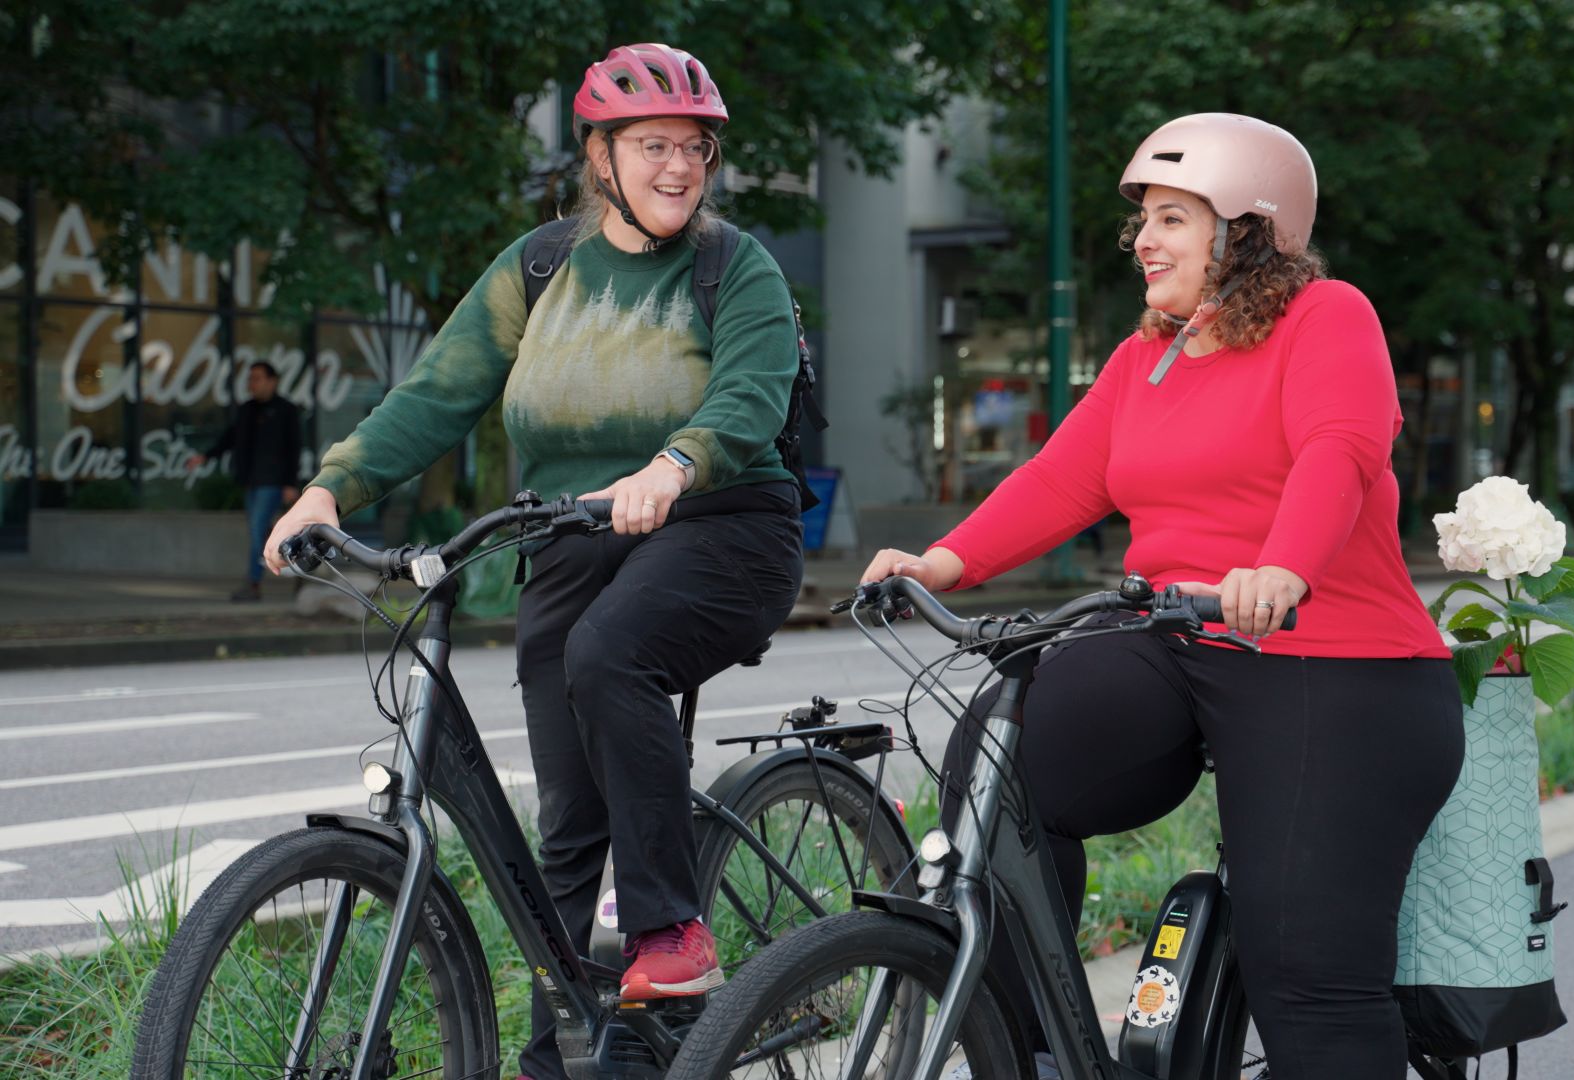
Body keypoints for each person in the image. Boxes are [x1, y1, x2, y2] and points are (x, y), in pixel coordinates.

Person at [863, 113, 1465, 1078]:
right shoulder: (1150, 354)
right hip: (1177, 638)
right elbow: (1066, 478)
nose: (1144, 239)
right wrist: (941, 564)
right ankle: (1037, 1050)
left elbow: (1340, 449)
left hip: (1334, 662)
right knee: (1004, 762)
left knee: (1306, 976)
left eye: (1174, 217)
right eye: (1144, 219)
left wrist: (1285, 568)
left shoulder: (1328, 315)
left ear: (1249, 231)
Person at [262, 43, 805, 1080]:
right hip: (567, 540)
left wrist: (673, 464)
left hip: (721, 527)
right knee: (564, 826)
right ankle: (567, 1052)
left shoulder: (737, 268)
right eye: (653, 146)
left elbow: (748, 399)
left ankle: (672, 933)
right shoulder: (540, 268)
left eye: (695, 148)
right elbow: (439, 389)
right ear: (599, 156)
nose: (680, 167)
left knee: (609, 657)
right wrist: (333, 485)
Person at [188, 360, 304, 602]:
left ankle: (253, 584)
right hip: (250, 481)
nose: (252, 383)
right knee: (263, 533)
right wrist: (206, 456)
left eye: (257, 378)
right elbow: (230, 438)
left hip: (272, 482)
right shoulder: (247, 409)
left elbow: (293, 449)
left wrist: (290, 483)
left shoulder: (286, 410)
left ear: (272, 381)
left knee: (257, 531)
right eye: (250, 378)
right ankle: (300, 566)